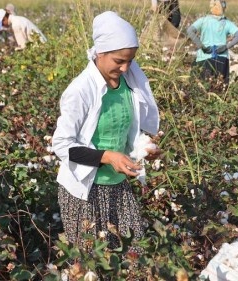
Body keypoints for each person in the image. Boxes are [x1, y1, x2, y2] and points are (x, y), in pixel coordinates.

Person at [52, 11, 162, 253]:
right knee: (93, 262)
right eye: (119, 61)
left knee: (135, 255)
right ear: (100, 52)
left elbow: (127, 131)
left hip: (118, 186)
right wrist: (107, 157)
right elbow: (61, 145)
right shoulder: (80, 90)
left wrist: (143, 148)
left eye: (130, 60)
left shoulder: (128, 84)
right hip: (84, 192)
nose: (125, 68)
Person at [186, 0, 238, 84]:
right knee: (220, 85)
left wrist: (201, 46)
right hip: (222, 58)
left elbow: (190, 30)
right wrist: (226, 47)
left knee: (203, 86)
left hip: (204, 57)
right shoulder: (227, 23)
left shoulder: (203, 20)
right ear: (223, 7)